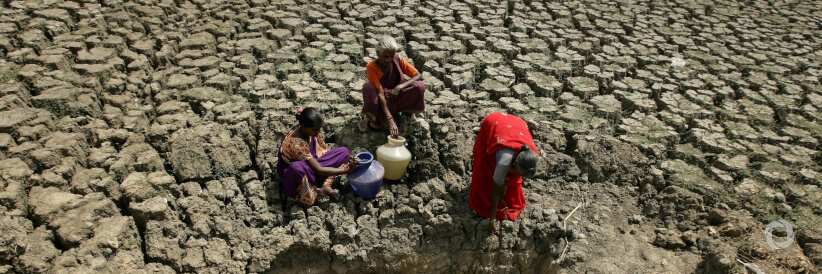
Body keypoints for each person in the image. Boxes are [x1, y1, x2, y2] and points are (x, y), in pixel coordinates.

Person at [468, 112, 540, 235]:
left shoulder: (531, 155)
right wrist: (492, 220)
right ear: (515, 164)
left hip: (516, 125)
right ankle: (477, 205)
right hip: (493, 123)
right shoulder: (504, 163)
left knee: (508, 189)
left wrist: (506, 185)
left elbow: (516, 176)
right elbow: (495, 194)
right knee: (483, 172)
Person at [277, 107, 359, 205]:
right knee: (296, 168)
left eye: (320, 128)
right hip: (300, 174)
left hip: (312, 163)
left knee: (344, 152)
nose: (319, 132)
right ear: (303, 126)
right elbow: (319, 169)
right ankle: (313, 191)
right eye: (315, 129)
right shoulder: (296, 144)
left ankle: (324, 185)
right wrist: (347, 169)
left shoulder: (306, 130)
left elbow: (317, 157)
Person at [359, 36, 426, 138]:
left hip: (397, 96)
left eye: (391, 56)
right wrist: (390, 119)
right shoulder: (372, 66)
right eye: (385, 57)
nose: (389, 60)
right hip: (384, 99)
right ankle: (372, 117)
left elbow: (417, 75)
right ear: (378, 54)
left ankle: (409, 112)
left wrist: (400, 87)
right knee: (368, 88)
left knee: (419, 86)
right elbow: (380, 93)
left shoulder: (397, 59)